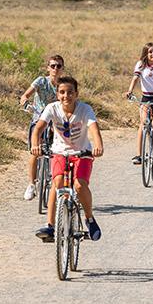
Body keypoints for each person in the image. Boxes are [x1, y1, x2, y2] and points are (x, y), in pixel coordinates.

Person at [33, 76, 104, 242]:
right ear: (57, 94)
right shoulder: (52, 108)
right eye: (62, 92)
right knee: (56, 183)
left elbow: (94, 129)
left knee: (79, 185)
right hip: (59, 152)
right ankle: (50, 225)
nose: (66, 96)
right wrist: (35, 144)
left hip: (82, 153)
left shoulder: (85, 109)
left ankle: (89, 219)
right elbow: (38, 129)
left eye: (70, 92)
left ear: (76, 94)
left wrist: (98, 145)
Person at [19, 54, 64, 201]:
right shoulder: (41, 81)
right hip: (39, 119)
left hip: (55, 121)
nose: (55, 69)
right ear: (48, 68)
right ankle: (31, 184)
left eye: (58, 66)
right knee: (35, 151)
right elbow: (25, 95)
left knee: (60, 150)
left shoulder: (63, 85)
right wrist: (25, 102)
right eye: (53, 66)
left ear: (62, 69)